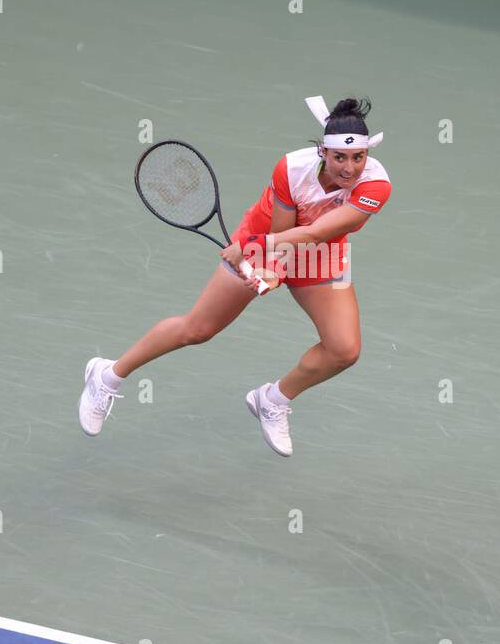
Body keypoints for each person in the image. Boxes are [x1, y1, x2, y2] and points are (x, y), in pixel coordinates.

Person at [79, 95, 392, 457]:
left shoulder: (376, 185)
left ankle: (272, 400)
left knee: (344, 349)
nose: (350, 168)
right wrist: (267, 264)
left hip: (318, 253)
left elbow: (318, 234)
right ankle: (107, 376)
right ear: (323, 151)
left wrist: (257, 253)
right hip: (264, 239)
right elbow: (283, 230)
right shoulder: (291, 169)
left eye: (358, 157)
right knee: (198, 329)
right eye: (340, 157)